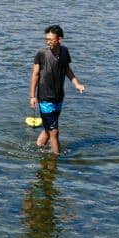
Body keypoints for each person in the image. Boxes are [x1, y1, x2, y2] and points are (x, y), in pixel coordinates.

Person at [29, 25, 84, 154]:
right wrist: (32, 96)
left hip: (59, 97)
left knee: (48, 131)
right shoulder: (41, 54)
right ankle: (56, 161)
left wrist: (76, 84)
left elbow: (67, 70)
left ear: (60, 39)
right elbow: (35, 75)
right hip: (45, 98)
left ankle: (38, 149)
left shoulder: (64, 51)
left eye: (51, 39)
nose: (48, 42)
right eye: (46, 39)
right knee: (54, 132)